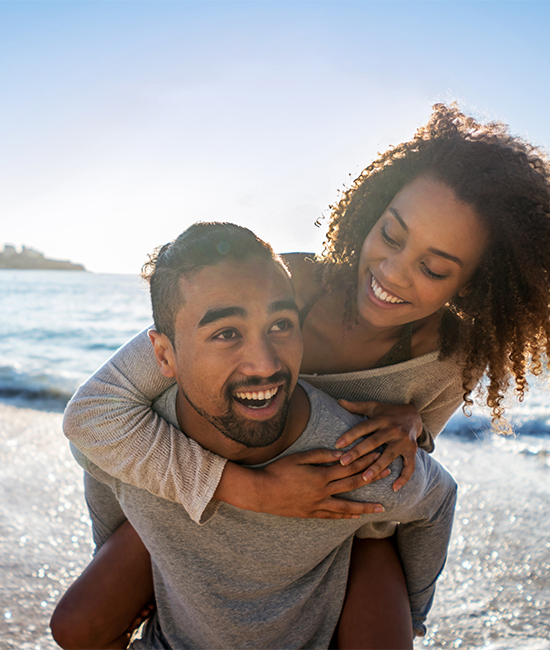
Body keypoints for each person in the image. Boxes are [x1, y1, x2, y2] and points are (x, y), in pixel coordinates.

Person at [59, 104, 550, 646]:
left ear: (474, 283)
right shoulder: (277, 285)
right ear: (371, 213)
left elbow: (414, 465)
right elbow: (100, 411)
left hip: (339, 517)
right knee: (80, 624)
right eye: (390, 234)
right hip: (207, 481)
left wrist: (413, 425)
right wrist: (251, 492)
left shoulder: (455, 359)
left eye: (433, 268)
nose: (390, 272)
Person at [51, 223, 458, 649]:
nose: (263, 364)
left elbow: (437, 498)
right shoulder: (131, 435)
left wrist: (410, 617)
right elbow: (96, 456)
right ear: (163, 356)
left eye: (282, 324)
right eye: (226, 333)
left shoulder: (345, 456)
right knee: (74, 628)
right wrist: (144, 559)